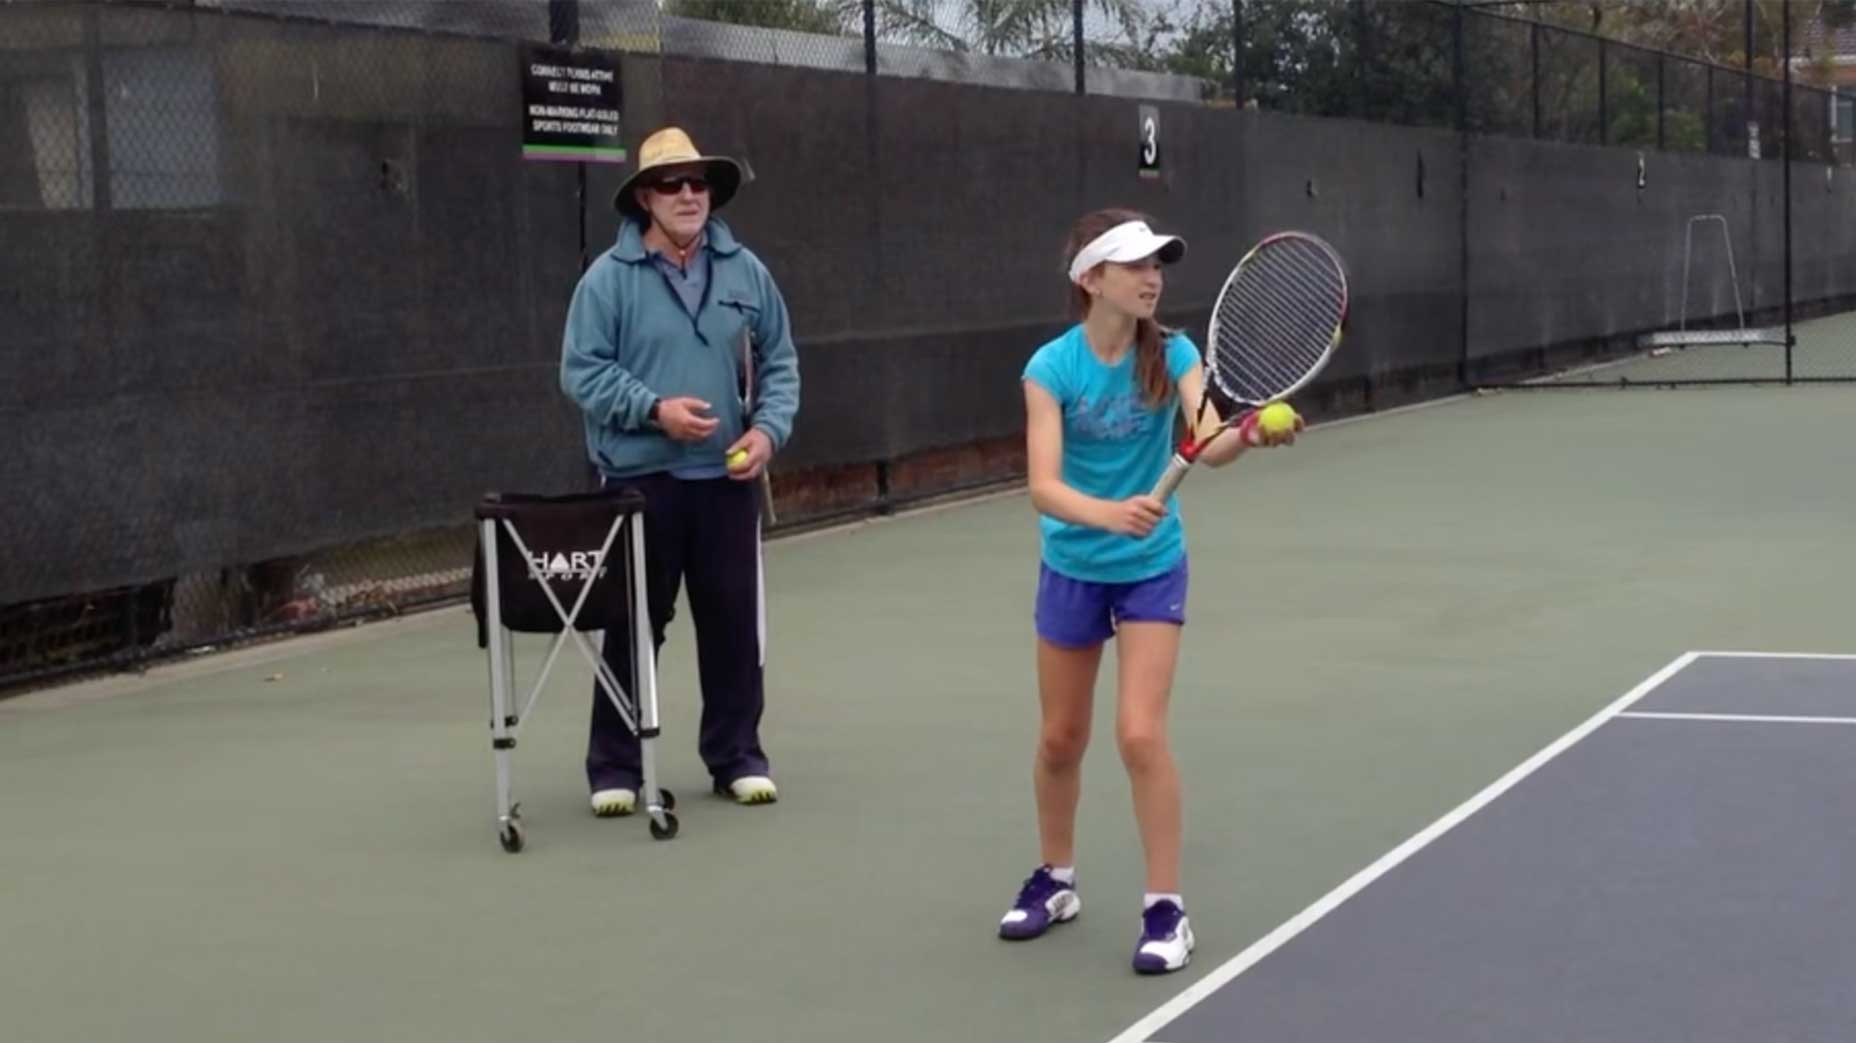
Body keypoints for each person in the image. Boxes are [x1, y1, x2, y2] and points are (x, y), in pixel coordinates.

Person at [999, 208, 1300, 974]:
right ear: (1090, 279)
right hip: (1072, 562)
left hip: (1151, 566)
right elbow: (1042, 486)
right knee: (1061, 737)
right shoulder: (1050, 368)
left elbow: (1209, 440)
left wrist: (1252, 434)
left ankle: (1166, 907)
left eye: (1158, 264)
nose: (1152, 276)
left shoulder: (1173, 354)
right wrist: (1109, 513)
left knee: (1139, 733)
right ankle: (1055, 878)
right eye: (1134, 265)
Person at [559, 126, 800, 816]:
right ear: (644, 198)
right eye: (672, 184)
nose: (689, 194)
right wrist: (652, 409)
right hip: (639, 484)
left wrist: (765, 431)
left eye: (699, 183)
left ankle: (736, 757)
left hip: (726, 484)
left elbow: (780, 360)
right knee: (632, 622)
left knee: (732, 622)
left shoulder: (746, 270)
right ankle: (615, 766)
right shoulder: (607, 280)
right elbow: (581, 371)